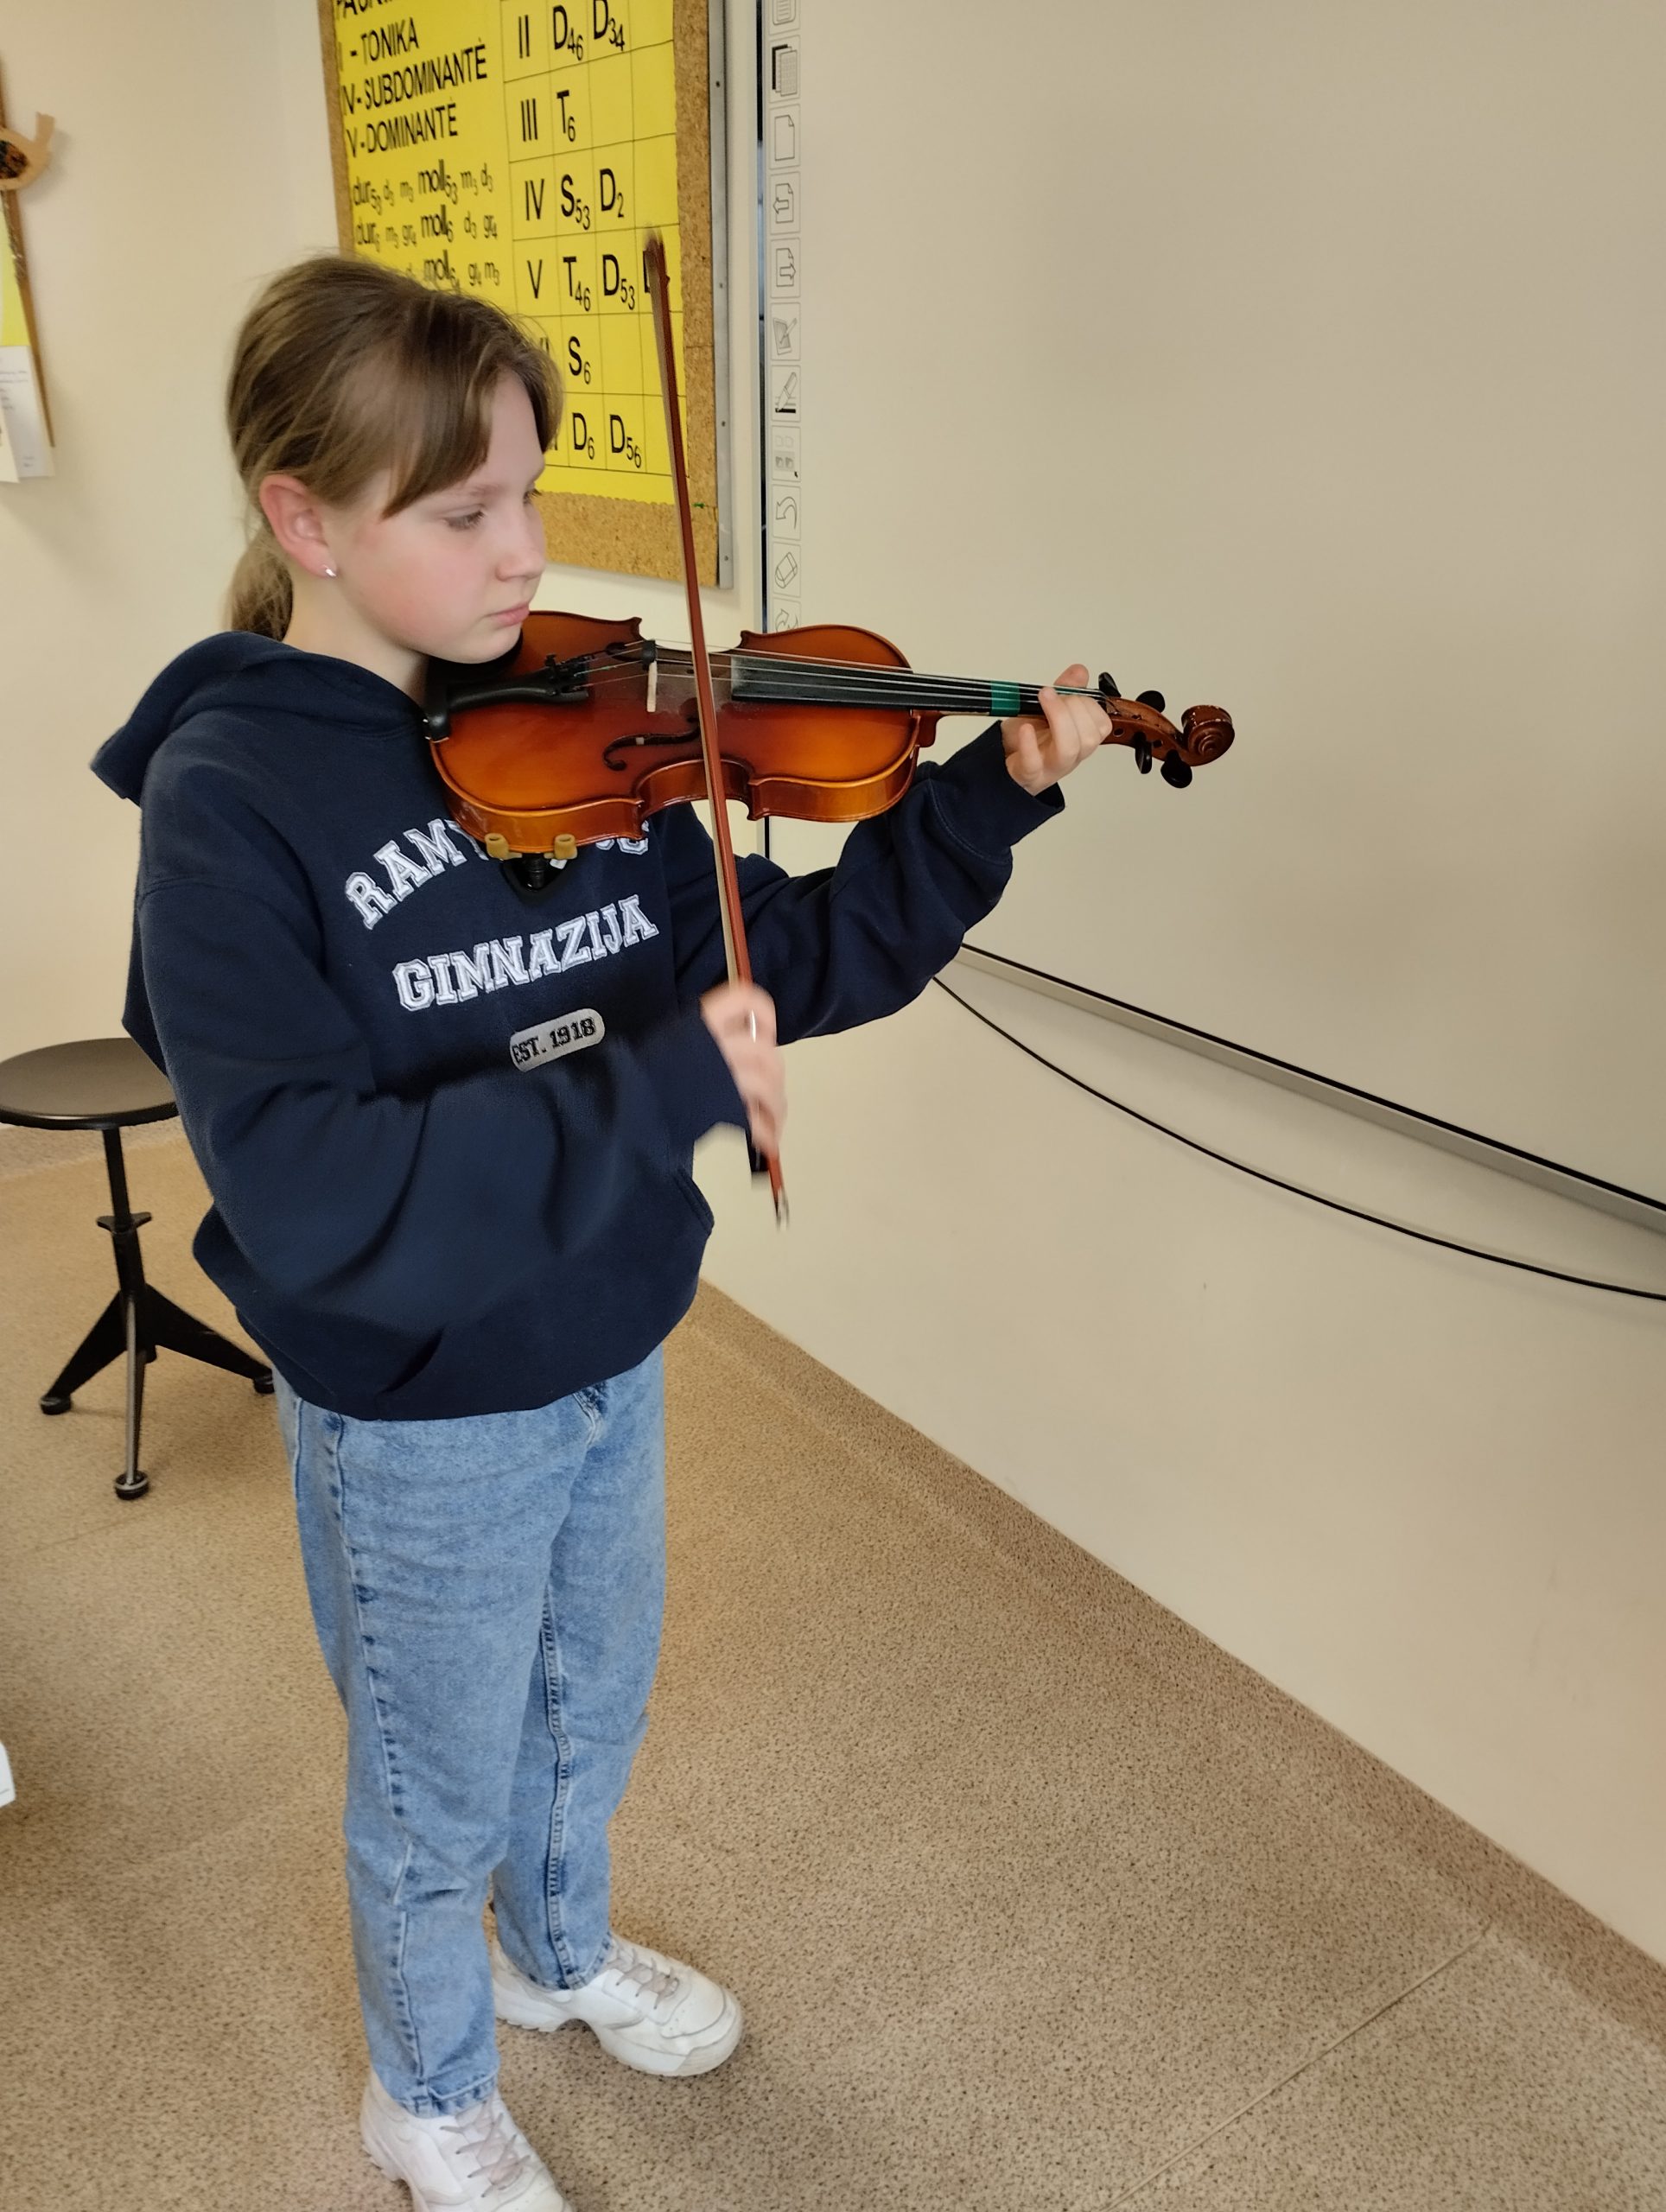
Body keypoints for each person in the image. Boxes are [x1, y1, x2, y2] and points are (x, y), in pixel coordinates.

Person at [92, 255, 1110, 2212]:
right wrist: (653, 1088)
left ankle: (552, 1957)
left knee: (584, 1712)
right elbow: (313, 1187)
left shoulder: (590, 724)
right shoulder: (230, 802)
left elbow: (786, 956)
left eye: (533, 492)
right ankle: (425, 2089)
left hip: (609, 1330)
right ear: (305, 518)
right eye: (461, 509)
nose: (524, 551)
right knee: (430, 1782)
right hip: (420, 1400)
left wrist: (983, 801)